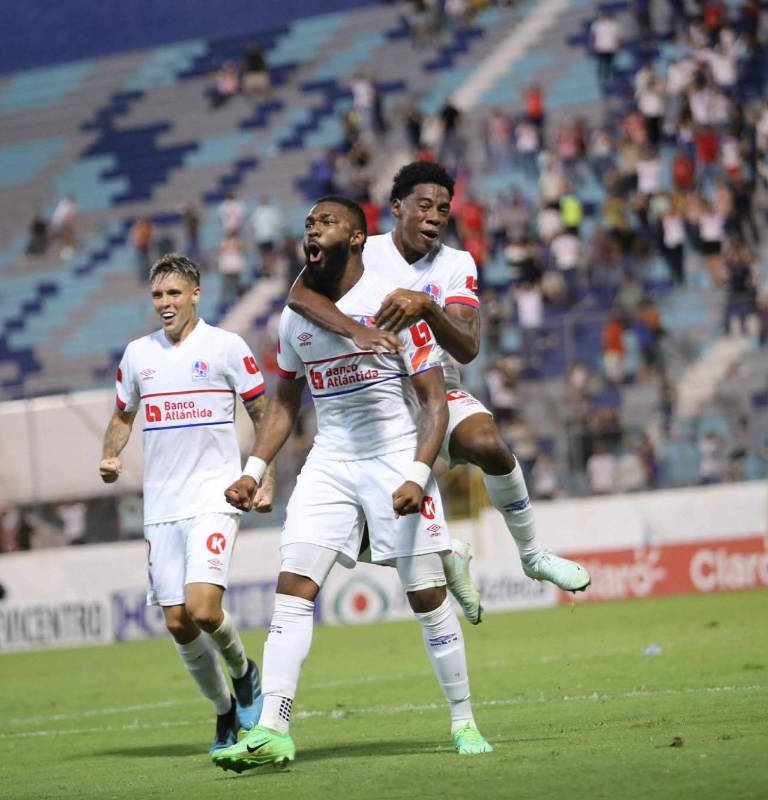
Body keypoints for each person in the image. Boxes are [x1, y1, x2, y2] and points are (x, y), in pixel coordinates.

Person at [213, 196, 492, 772]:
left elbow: (434, 404)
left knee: (425, 596)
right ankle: (272, 730)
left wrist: (419, 473)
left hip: (394, 456)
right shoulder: (295, 318)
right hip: (331, 462)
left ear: (358, 237)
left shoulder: (393, 305)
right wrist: (252, 470)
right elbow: (285, 407)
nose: (312, 228)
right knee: (292, 589)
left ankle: (464, 719)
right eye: (309, 221)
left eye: (326, 221)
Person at [286, 162, 591, 624]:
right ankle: (448, 552)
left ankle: (532, 554)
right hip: (375, 400)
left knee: (488, 442)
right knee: (357, 525)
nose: (434, 216)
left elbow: (467, 348)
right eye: (424, 205)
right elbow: (298, 296)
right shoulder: (360, 249)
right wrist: (355, 331)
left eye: (443, 210)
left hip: (435, 389)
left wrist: (426, 305)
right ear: (397, 208)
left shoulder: (456, 264)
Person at [99, 254, 272, 754]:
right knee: (176, 621)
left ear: (196, 293)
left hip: (215, 495)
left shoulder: (225, 347)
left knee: (202, 607)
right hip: (162, 505)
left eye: (174, 293)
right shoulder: (137, 355)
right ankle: (223, 712)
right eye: (157, 296)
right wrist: (109, 455)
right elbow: (122, 415)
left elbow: (264, 413)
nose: (165, 303)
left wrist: (262, 478)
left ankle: (244, 673)